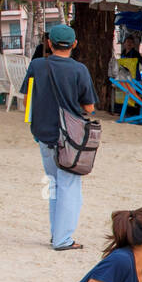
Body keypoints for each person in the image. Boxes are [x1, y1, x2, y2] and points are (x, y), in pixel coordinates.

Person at [27, 24, 96, 251]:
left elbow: (28, 94)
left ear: (49, 43)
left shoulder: (37, 65)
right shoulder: (79, 70)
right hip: (69, 137)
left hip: (42, 134)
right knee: (69, 187)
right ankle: (62, 239)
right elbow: (89, 106)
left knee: (54, 184)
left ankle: (56, 233)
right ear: (74, 44)